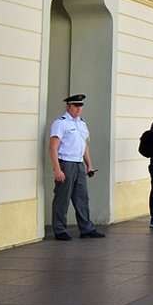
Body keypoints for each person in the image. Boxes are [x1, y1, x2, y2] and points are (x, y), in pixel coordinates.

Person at [48, 94, 104, 240]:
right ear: (68, 106)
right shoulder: (61, 123)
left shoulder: (81, 123)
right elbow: (53, 148)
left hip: (79, 164)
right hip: (65, 163)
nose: (79, 108)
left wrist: (89, 165)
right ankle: (60, 230)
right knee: (62, 198)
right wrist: (57, 169)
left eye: (81, 105)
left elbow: (84, 146)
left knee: (82, 197)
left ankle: (86, 228)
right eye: (75, 105)